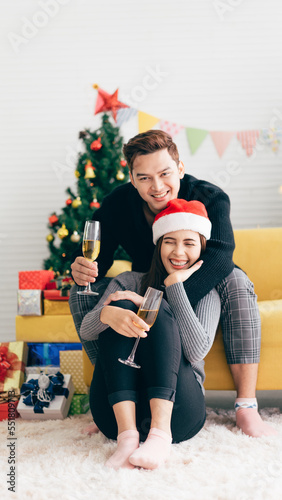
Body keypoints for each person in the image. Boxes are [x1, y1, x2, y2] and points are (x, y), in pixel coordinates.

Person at [70, 130, 276, 438]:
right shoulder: (117, 205)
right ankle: (115, 391)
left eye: (165, 173)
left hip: (198, 280)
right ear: (131, 177)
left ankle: (246, 406)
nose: (157, 187)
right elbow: (98, 259)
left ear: (180, 168)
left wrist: (162, 304)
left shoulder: (211, 196)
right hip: (147, 279)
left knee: (237, 279)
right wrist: (82, 268)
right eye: (144, 178)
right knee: (80, 291)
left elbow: (220, 258)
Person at [79, 199, 221, 470]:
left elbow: (197, 351)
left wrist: (174, 288)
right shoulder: (129, 280)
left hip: (179, 413)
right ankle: (127, 438)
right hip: (114, 415)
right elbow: (87, 331)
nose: (178, 252)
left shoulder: (207, 292)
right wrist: (105, 314)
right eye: (170, 241)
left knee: (157, 305)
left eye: (189, 243)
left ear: (201, 248)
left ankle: (159, 436)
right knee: (119, 304)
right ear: (158, 245)